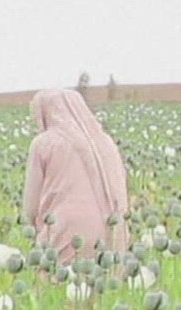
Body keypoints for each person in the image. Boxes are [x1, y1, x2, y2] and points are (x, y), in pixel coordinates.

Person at [22, 88, 130, 263]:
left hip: (63, 232)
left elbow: (30, 207)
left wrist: (31, 232)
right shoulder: (106, 141)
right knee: (106, 278)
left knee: (55, 277)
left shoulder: (44, 143)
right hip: (113, 234)